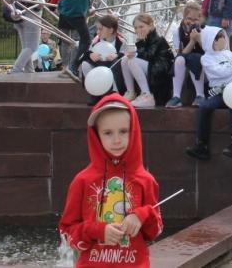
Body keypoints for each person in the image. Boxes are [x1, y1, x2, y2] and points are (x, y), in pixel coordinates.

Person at [59, 94, 163, 267]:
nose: (116, 140)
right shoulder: (82, 181)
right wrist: (98, 231)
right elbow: (67, 232)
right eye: (107, 133)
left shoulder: (145, 180)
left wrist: (142, 215)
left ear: (134, 131)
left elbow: (155, 231)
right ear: (96, 135)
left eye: (123, 131)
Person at [185, 26, 232, 161]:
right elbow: (221, 72)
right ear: (211, 40)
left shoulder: (228, 53)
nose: (223, 39)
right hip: (220, 93)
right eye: (219, 37)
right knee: (204, 107)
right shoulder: (206, 59)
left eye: (223, 36)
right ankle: (201, 145)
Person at [51, 0, 100, 76]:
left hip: (64, 14)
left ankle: (65, 66)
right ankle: (73, 66)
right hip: (77, 15)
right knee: (84, 40)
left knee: (64, 41)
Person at [121, 13, 174, 108]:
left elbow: (148, 56)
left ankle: (147, 95)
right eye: (136, 28)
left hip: (160, 73)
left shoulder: (158, 40)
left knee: (132, 60)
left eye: (141, 27)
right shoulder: (146, 40)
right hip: (152, 69)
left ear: (151, 26)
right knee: (125, 60)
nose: (138, 30)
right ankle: (130, 92)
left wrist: (140, 44)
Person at [167, 0, 206, 108]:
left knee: (195, 58)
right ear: (184, 18)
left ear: (200, 19)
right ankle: (176, 96)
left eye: (195, 20)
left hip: (201, 60)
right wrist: (192, 41)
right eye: (189, 19)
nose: (192, 22)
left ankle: (200, 94)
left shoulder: (203, 31)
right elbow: (181, 53)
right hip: (184, 58)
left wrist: (198, 39)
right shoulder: (177, 31)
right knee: (179, 60)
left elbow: (208, 51)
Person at [10, 0, 43, 75]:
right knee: (32, 47)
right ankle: (16, 70)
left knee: (26, 46)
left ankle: (29, 71)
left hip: (19, 17)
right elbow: (39, 3)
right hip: (32, 16)